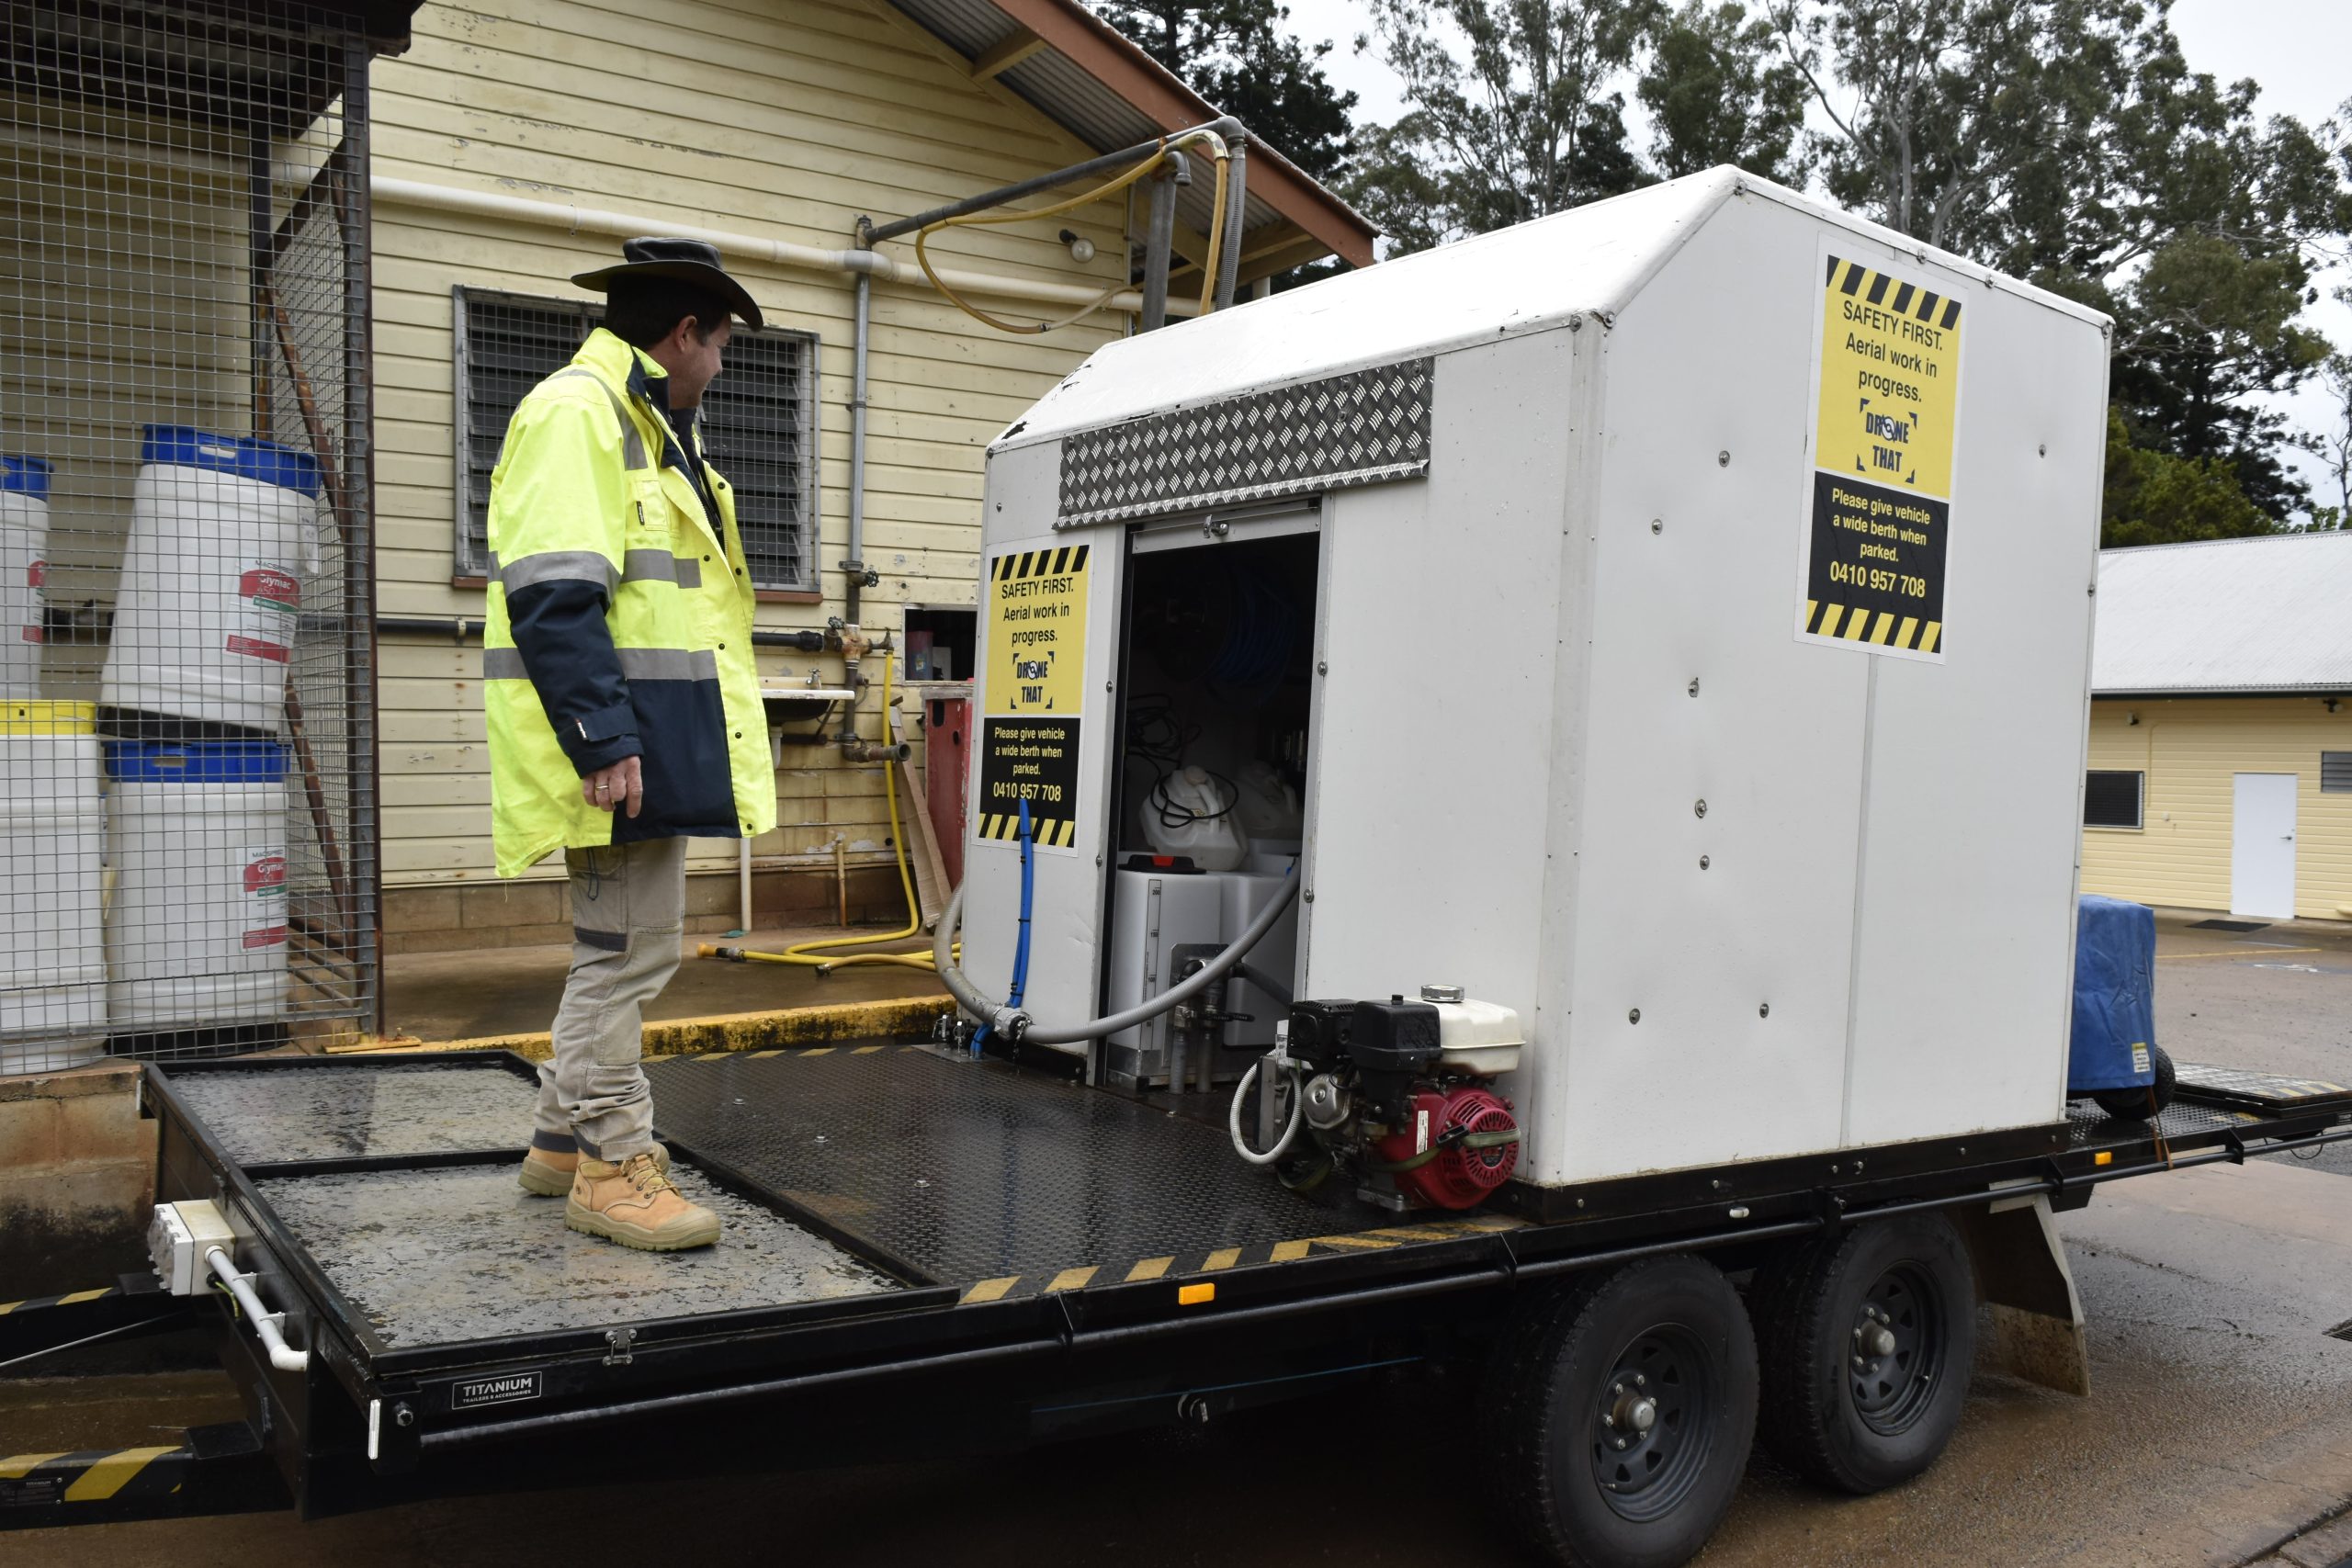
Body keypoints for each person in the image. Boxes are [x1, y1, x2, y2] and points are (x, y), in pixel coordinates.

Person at [482, 237, 776, 1251]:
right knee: (623, 956)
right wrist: (602, 738)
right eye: (724, 341)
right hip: (616, 749)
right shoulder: (581, 412)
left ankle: (561, 1143)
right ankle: (612, 1168)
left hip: (645, 740)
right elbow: (555, 593)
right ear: (685, 331)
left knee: (616, 948)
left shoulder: (645, 422)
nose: (724, 364)